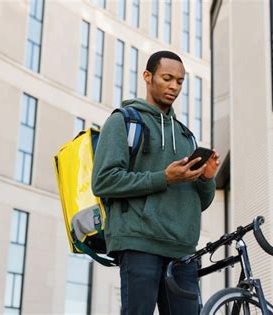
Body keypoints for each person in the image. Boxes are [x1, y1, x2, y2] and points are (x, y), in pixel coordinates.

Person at [92, 50, 219, 315]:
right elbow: (103, 181)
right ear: (148, 77)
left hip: (182, 251)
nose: (174, 86)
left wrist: (206, 178)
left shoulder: (186, 136)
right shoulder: (122, 122)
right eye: (167, 78)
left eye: (180, 81)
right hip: (139, 243)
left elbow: (199, 202)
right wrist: (164, 178)